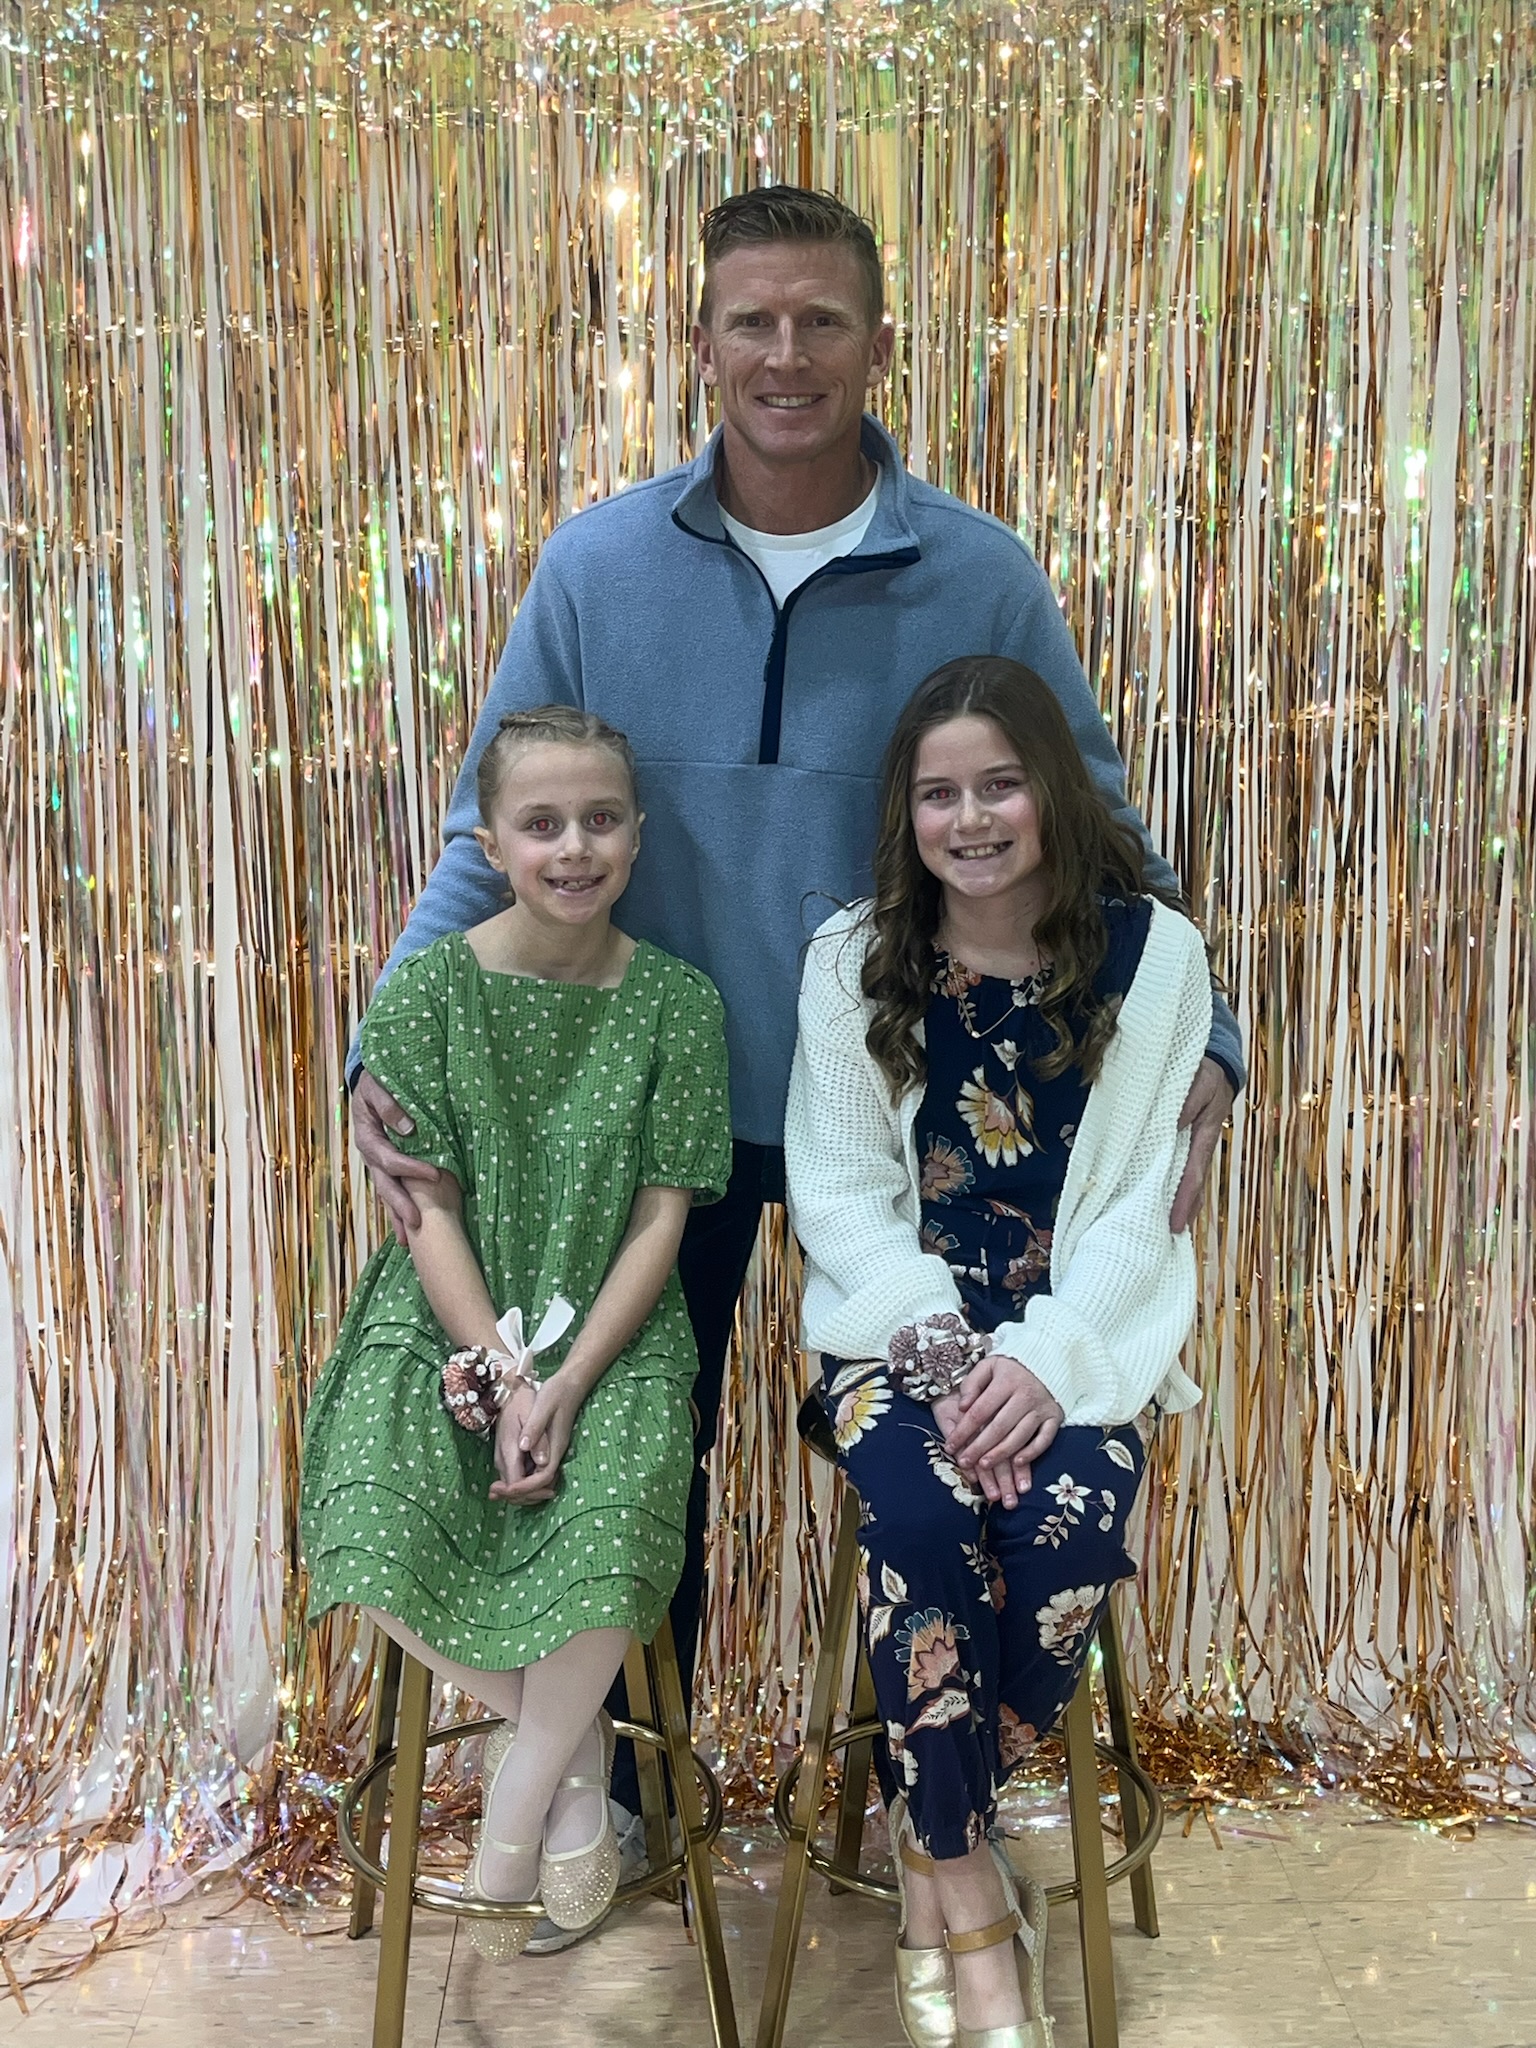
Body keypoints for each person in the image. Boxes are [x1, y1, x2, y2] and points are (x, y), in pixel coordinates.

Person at [344, 185, 1243, 1937]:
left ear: (878, 344)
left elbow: (1093, 817)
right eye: (750, 319)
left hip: (898, 1131)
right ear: (698, 343)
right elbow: (486, 829)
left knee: (932, 1464)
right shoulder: (597, 567)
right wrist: (387, 1040)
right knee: (633, 1453)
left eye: (820, 319)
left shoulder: (979, 571)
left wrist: (1205, 1026)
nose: (784, 353)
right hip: (638, 1114)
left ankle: (932, 1797)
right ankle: (618, 1798)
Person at [784, 656, 1213, 2048]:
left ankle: (928, 1838)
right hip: (897, 1335)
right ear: (905, 813)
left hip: (1079, 1341)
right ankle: (970, 1905)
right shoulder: (853, 958)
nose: (969, 819)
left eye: (1001, 785)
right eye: (938, 794)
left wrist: (1046, 1359)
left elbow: (1143, 1202)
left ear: (1053, 792)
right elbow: (839, 1192)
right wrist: (950, 1358)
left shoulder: (1155, 958)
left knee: (1064, 1538)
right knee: (920, 1524)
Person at [301, 706, 731, 1957]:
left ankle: (513, 1808)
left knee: (624, 1504)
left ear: (638, 836)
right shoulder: (427, 991)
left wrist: (568, 1380)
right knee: (365, 1497)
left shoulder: (680, 1004)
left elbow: (660, 1221)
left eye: (601, 819)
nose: (574, 847)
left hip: (613, 1329)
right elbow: (425, 1208)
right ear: (489, 843)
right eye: (542, 823)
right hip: (452, 1311)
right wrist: (499, 1367)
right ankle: (571, 1759)